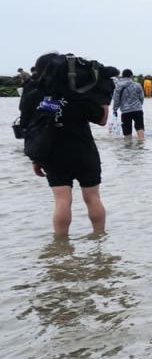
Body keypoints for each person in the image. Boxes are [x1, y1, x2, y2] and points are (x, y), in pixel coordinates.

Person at [19, 54, 112, 237]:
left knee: (62, 200)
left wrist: (36, 159)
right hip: (83, 150)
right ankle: (99, 239)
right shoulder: (77, 94)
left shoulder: (34, 95)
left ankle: (61, 244)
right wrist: (102, 95)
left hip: (52, 152)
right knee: (92, 197)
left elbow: (29, 128)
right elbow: (102, 120)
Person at [111, 69, 146, 139]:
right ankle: (141, 143)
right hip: (138, 110)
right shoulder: (137, 85)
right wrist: (139, 105)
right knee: (140, 127)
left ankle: (128, 145)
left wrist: (115, 109)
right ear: (131, 76)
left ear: (122, 76)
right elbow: (142, 97)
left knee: (127, 132)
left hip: (125, 111)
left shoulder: (118, 86)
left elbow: (116, 99)